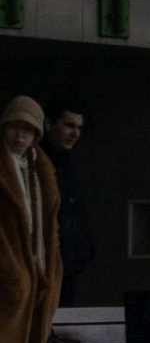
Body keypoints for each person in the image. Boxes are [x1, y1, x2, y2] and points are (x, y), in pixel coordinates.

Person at [0, 97, 62, 343]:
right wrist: (14, 275)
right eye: (15, 126)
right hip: (9, 283)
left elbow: (48, 226)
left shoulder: (41, 169)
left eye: (29, 129)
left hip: (32, 283)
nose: (21, 134)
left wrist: (46, 275)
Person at [43, 104, 90, 304]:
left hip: (68, 261)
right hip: (49, 260)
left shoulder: (70, 164)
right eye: (69, 126)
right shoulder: (40, 163)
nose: (75, 133)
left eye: (79, 128)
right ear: (49, 124)